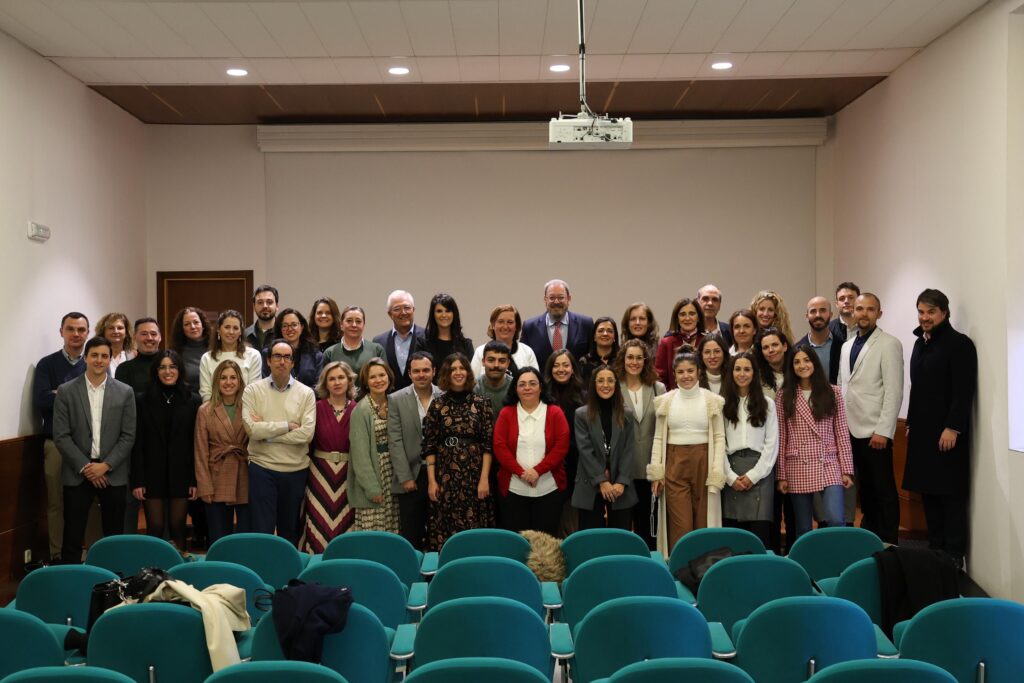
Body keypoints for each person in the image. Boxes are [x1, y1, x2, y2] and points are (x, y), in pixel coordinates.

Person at [903, 289, 977, 569]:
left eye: (930, 312)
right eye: (921, 312)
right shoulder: (920, 343)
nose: (924, 317)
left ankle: (953, 556)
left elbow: (963, 390)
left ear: (944, 313)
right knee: (928, 492)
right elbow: (917, 387)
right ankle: (935, 550)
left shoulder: (960, 344)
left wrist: (953, 427)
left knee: (950, 495)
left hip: (947, 434)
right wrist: (910, 421)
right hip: (922, 432)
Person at [53, 336, 136, 563]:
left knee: (113, 536)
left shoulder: (125, 391)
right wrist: (86, 467)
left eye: (104, 356)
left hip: (113, 472)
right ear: (86, 358)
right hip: (78, 472)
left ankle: (113, 582)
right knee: (72, 534)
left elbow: (128, 435)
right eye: (94, 355)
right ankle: (70, 580)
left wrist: (106, 466)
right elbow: (61, 436)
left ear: (110, 359)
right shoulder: (66, 391)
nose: (99, 360)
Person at [839, 293, 904, 545]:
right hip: (849, 428)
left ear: (879, 313)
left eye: (869, 309)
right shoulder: (847, 346)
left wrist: (884, 431)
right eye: (859, 309)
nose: (863, 313)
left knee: (883, 489)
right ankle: (869, 534)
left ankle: (889, 540)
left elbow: (894, 390)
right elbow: (843, 384)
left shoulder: (889, 343)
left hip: (875, 431)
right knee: (864, 490)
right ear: (852, 312)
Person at [648, 351, 727, 557]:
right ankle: (680, 570)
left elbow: (719, 438)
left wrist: (717, 471)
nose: (686, 376)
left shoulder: (713, 401)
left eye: (690, 371)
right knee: (680, 525)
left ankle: (703, 572)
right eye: (681, 372)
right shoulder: (665, 401)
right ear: (674, 374)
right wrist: (656, 472)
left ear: (699, 372)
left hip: (704, 462)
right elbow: (658, 438)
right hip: (675, 464)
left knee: (703, 523)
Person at [775, 345, 854, 541]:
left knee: (836, 518)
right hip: (797, 463)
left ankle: (839, 560)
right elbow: (782, 437)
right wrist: (781, 475)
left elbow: (842, 432)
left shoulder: (833, 392)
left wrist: (846, 469)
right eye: (796, 361)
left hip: (828, 461)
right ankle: (809, 567)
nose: (802, 365)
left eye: (806, 360)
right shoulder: (784, 396)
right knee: (803, 527)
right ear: (791, 367)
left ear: (814, 362)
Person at [241, 338, 316, 545]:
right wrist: (286, 425)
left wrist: (267, 432)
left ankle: (287, 575)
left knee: (289, 530)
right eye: (277, 356)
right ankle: (262, 574)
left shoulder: (306, 393)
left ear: (293, 362)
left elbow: (306, 435)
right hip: (262, 467)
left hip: (295, 469)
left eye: (287, 357)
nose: (282, 361)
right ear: (268, 361)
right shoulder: (252, 391)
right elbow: (251, 430)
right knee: (261, 530)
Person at [422, 353, 495, 549]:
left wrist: (484, 479)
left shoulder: (482, 403)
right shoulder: (437, 404)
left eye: (462, 368)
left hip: (474, 475)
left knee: (475, 528)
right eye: (453, 369)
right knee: (445, 526)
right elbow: (430, 445)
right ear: (446, 373)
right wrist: (431, 481)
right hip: (445, 476)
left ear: (468, 372)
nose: (458, 372)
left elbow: (488, 444)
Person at [131, 350, 201, 554]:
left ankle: (179, 573)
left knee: (179, 527)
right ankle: (152, 571)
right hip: (152, 474)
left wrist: (193, 479)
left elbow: (195, 443)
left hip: (182, 473)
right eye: (162, 367)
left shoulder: (193, 400)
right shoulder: (142, 400)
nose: (168, 371)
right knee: (155, 528)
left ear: (180, 370)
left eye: (172, 367)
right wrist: (138, 480)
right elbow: (138, 442)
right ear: (156, 371)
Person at [33, 312, 89, 562]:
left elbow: (100, 401)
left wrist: (61, 394)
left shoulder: (93, 362)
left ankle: (90, 554)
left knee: (89, 503)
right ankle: (58, 556)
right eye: (71, 329)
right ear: (62, 332)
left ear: (88, 333)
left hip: (87, 446)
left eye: (81, 329)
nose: (76, 334)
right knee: (56, 503)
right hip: (55, 443)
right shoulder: (47, 364)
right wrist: (76, 397)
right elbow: (42, 401)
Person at [493, 367, 570, 536]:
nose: (527, 388)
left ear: (541, 387)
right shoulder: (506, 413)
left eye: (532, 383)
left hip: (548, 488)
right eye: (522, 384)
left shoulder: (555, 412)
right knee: (516, 541)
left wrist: (537, 471)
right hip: (514, 489)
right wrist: (522, 473)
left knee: (546, 542)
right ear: (515, 388)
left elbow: (561, 446)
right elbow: (500, 447)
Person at [720, 352, 778, 547]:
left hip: (761, 473)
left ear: (754, 373)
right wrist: (730, 477)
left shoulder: (768, 404)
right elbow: (719, 443)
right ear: (731, 372)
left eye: (747, 369)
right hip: (732, 471)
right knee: (735, 538)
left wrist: (754, 475)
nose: (742, 374)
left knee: (760, 537)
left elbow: (771, 444)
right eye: (737, 369)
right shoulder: (721, 404)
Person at [301, 361, 358, 552]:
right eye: (331, 379)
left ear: (349, 381)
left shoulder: (358, 409)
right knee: (318, 520)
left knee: (345, 521)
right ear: (325, 384)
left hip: (348, 475)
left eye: (341, 377)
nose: (337, 382)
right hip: (319, 474)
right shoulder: (316, 408)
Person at [572, 365, 637, 531]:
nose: (605, 385)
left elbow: (629, 450)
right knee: (592, 538)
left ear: (616, 384)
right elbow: (585, 451)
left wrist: (622, 482)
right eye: (600, 380)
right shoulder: (581, 415)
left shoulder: (626, 414)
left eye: (610, 380)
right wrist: (601, 481)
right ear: (593, 385)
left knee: (620, 537)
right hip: (590, 482)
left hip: (619, 485)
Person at [389, 352, 442, 549]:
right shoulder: (396, 399)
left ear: (434, 372)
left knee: (438, 529)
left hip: (438, 474)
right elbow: (395, 440)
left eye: (426, 370)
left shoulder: (444, 396)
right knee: (412, 531)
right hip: (411, 474)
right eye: (416, 371)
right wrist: (405, 477)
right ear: (410, 374)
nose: (421, 375)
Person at [614, 339, 665, 548]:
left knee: (648, 527)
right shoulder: (613, 387)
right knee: (622, 529)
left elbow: (663, 430)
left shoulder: (657, 388)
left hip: (649, 470)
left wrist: (660, 471)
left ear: (646, 361)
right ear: (622, 360)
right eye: (630, 357)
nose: (634, 362)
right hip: (622, 470)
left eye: (638, 358)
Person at [194, 359, 250, 545]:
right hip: (216, 476)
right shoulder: (205, 410)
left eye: (233, 377)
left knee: (245, 536)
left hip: (245, 475)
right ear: (216, 381)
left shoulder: (250, 407)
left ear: (240, 381)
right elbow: (200, 452)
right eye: (223, 378)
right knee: (219, 538)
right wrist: (205, 486)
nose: (228, 382)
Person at [348, 359, 400, 533]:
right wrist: (372, 488)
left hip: (395, 477)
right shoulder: (361, 410)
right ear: (366, 382)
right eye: (373, 377)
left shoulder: (395, 403)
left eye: (382, 375)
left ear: (389, 377)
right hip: (375, 478)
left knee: (394, 529)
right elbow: (360, 455)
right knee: (375, 533)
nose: (378, 380)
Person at [545, 349, 586, 536]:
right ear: (550, 369)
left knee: (574, 514)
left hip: (578, 462)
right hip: (548, 462)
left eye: (565, 365)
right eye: (556, 365)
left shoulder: (584, 395)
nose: (561, 369)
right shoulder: (542, 396)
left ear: (573, 369)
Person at [520, 279, 594, 371]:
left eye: (561, 297)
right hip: (543, 384)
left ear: (569, 299)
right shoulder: (529, 327)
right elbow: (524, 360)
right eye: (551, 298)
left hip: (577, 384)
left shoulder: (585, 324)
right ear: (545, 300)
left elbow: (592, 358)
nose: (556, 302)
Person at [199, 309, 262, 402]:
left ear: (240, 332)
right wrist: (218, 414)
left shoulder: (254, 355)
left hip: (245, 411)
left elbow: (253, 392)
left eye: (235, 328)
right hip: (214, 412)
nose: (231, 332)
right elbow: (206, 393)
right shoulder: (207, 358)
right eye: (227, 327)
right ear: (218, 330)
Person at [373, 290, 426, 391]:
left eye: (407, 308)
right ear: (390, 314)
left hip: (421, 400)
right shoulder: (379, 342)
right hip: (390, 402)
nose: (403, 312)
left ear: (413, 310)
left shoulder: (427, 336)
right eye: (397, 309)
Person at [470, 305, 538, 376]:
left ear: (516, 326)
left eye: (510, 322)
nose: (505, 327)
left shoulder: (527, 352)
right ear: (493, 325)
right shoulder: (480, 352)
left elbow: (535, 382)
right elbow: (472, 382)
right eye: (501, 322)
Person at [263, 308, 323, 388]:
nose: (290, 329)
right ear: (280, 329)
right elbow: (266, 383)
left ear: (301, 327)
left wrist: (301, 396)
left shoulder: (315, 355)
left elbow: (319, 387)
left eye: (294, 325)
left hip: (308, 399)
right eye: (285, 326)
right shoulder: (268, 353)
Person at [322, 305, 386, 378]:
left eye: (358, 321)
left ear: (363, 325)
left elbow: (384, 379)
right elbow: (325, 383)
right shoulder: (329, 353)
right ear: (341, 325)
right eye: (349, 321)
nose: (354, 325)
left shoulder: (377, 350)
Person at [655, 298, 704, 390]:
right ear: (677, 318)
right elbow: (660, 378)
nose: (687, 318)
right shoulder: (666, 343)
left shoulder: (707, 341)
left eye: (692, 314)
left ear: (698, 318)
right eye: (682, 314)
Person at [797, 296, 842, 384]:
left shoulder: (843, 347)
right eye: (813, 311)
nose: (818, 315)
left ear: (831, 315)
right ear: (807, 316)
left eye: (823, 310)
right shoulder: (797, 349)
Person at [115, 317, 163, 397]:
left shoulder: (171, 365)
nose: (149, 338)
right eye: (144, 334)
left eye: (153, 334)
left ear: (160, 337)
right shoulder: (124, 369)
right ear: (135, 337)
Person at [423, 293, 473, 363]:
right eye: (439, 311)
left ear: (454, 314)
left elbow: (470, 372)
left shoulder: (466, 345)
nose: (444, 315)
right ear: (433, 314)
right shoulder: (423, 344)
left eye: (448, 311)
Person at [169, 306, 210, 389]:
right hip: (188, 399)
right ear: (182, 329)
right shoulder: (175, 353)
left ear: (203, 325)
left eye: (196, 322)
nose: (193, 327)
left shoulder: (215, 348)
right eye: (187, 324)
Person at [474, 341, 512, 419]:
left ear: (508, 363)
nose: (496, 365)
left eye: (502, 361)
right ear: (483, 362)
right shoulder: (473, 387)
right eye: (491, 360)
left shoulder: (515, 387)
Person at [578, 316, 620, 383]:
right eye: (601, 331)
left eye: (609, 331)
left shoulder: (621, 360)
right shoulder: (584, 362)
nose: (605, 334)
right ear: (594, 337)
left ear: (615, 336)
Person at [756, 327, 790, 399]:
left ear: (785, 346)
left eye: (775, 345)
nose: (771, 350)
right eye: (765, 347)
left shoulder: (797, 371)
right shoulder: (757, 377)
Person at [246, 285, 279, 352]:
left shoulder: (284, 333)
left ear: (277, 306)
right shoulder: (245, 335)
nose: (265, 306)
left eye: (269, 302)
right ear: (253, 307)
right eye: (260, 302)